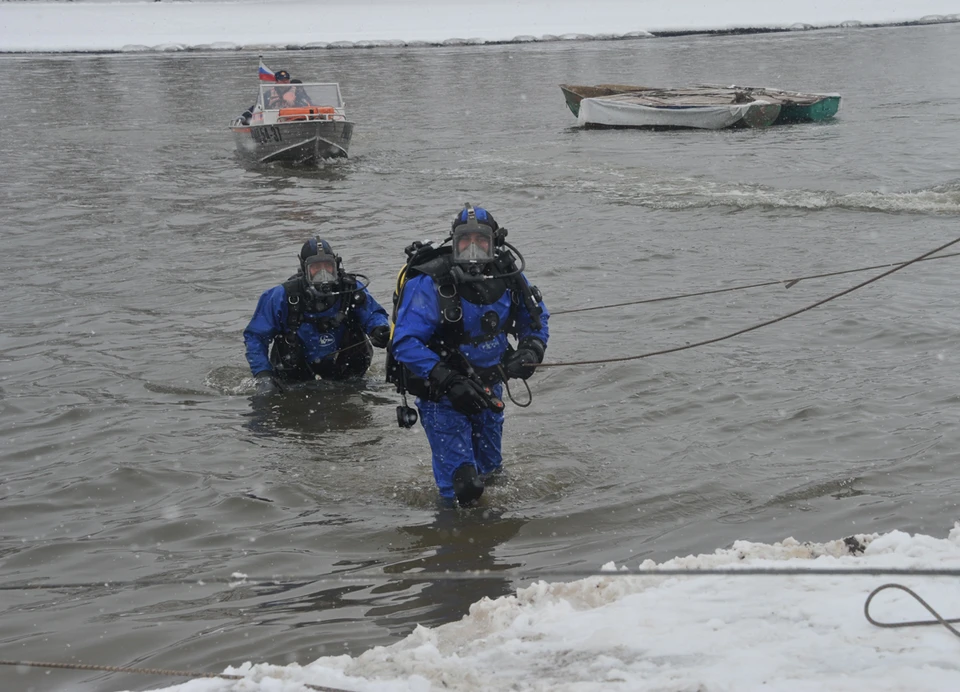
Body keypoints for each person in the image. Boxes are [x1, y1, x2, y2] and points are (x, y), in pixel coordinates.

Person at [388, 204, 550, 506]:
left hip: (490, 387)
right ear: (454, 243)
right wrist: (447, 380)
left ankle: (490, 541)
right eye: (466, 243)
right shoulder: (430, 283)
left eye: (481, 242)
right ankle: (453, 543)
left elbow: (537, 320)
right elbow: (405, 342)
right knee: (463, 488)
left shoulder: (509, 275)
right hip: (442, 395)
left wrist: (532, 349)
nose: (473, 251)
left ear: (495, 243)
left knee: (491, 474)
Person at [244, 237, 391, 397]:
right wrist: (263, 376)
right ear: (304, 268)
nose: (323, 273)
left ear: (336, 265)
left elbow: (373, 314)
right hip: (295, 379)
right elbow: (256, 337)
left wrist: (379, 328)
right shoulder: (282, 296)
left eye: (327, 266)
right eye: (316, 268)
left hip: (347, 376)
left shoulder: (351, 290)